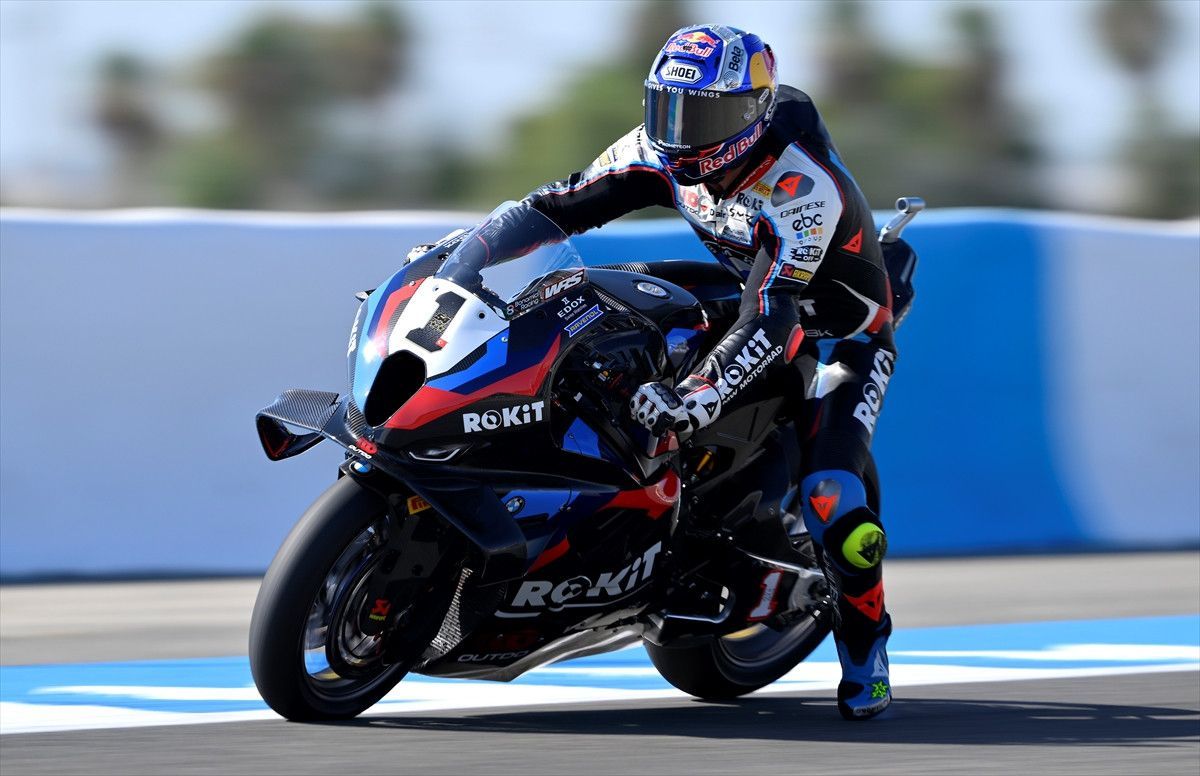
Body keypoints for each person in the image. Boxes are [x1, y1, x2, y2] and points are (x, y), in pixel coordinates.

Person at [476, 24, 896, 720]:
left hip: (838, 328)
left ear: (751, 115)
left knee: (832, 497)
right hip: (748, 289)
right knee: (596, 303)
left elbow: (774, 320)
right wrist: (464, 257)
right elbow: (556, 206)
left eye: (700, 116)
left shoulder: (801, 186)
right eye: (667, 108)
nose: (678, 132)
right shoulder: (658, 148)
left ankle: (867, 648)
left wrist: (699, 394)